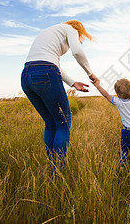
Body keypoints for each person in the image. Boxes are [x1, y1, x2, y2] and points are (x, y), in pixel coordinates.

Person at [21, 20, 98, 171]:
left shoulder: (51, 31)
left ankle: (52, 167)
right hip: (45, 73)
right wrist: (90, 73)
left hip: (26, 76)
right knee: (63, 124)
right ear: (79, 30)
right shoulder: (71, 29)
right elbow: (77, 52)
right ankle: (57, 173)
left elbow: (51, 62)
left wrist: (73, 83)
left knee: (50, 123)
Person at [93, 66, 130, 165]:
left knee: (124, 148)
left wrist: (97, 86)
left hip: (128, 132)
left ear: (117, 94)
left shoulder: (118, 101)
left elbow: (106, 95)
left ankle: (122, 164)